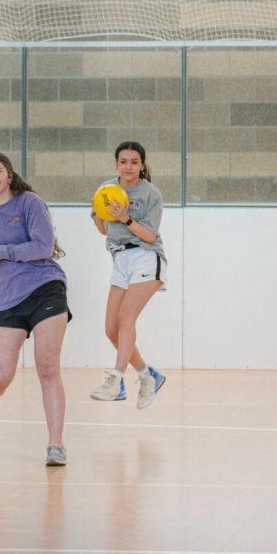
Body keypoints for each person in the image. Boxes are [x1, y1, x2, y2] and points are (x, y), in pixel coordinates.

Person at [0, 151, 71, 466]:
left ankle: (56, 445)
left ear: (9, 175)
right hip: (9, 297)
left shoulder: (29, 202)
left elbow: (43, 246)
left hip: (46, 288)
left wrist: (2, 251)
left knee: (48, 368)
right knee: (0, 377)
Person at [88, 141, 168, 409]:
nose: (129, 166)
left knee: (126, 318)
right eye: (123, 161)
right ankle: (148, 376)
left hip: (146, 255)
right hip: (119, 259)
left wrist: (125, 218)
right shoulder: (107, 189)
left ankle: (116, 379)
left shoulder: (151, 194)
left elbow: (150, 234)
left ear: (142, 166)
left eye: (134, 162)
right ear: (117, 164)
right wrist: (99, 211)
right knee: (112, 329)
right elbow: (102, 230)